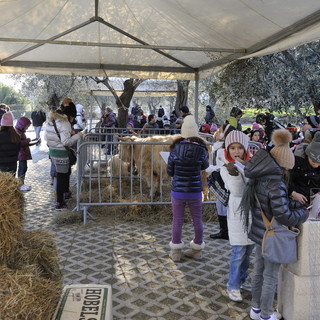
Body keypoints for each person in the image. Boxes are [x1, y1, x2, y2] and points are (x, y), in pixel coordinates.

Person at [241, 129, 308, 320]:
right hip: (271, 235)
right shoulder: (276, 183)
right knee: (270, 276)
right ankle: (266, 314)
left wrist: (293, 203)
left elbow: (273, 204)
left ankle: (255, 309)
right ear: (284, 165)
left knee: (259, 272)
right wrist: (302, 213)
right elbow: (284, 215)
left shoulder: (260, 178)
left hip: (259, 232)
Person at [167, 115, 209, 262]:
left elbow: (169, 171)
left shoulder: (175, 149)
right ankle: (197, 251)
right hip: (195, 191)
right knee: (197, 220)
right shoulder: (201, 149)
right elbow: (205, 166)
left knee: (177, 220)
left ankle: (176, 252)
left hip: (178, 191)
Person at [220, 130, 254, 302]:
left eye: (239, 147)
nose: (236, 151)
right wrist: (235, 173)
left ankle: (242, 278)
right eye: (232, 147)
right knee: (238, 251)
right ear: (227, 150)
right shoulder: (226, 169)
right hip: (238, 213)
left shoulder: (252, 164)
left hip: (252, 213)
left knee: (248, 250)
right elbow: (238, 190)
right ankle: (232, 285)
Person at [45, 107, 84, 210]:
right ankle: (59, 203)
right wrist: (80, 135)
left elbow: (46, 138)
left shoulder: (50, 122)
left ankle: (65, 193)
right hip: (61, 152)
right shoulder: (64, 123)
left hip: (53, 152)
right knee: (62, 177)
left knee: (63, 174)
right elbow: (66, 142)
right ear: (69, 116)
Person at [289, 131, 320, 205]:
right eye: (313, 161)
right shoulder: (296, 162)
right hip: (295, 199)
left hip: (315, 202)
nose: (316, 165)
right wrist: (292, 193)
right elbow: (283, 180)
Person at [15, 117, 39, 191]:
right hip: (21, 153)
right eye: (27, 126)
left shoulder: (19, 131)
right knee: (23, 168)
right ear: (22, 125)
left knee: (23, 168)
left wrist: (33, 142)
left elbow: (23, 143)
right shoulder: (17, 132)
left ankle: (21, 184)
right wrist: (28, 140)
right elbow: (19, 143)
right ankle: (20, 184)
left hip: (22, 153)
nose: (27, 128)